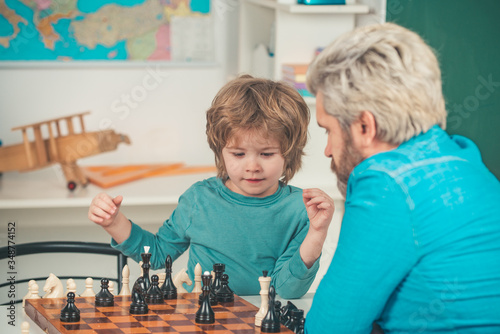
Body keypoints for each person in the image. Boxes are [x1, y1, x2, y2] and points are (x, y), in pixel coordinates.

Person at [304, 23, 500, 333]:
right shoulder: (465, 158)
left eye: (329, 130)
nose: (328, 150)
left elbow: (328, 327)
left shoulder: (386, 182)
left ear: (365, 127)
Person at [88, 75, 334, 298]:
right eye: (238, 154)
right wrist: (114, 223)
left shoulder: (300, 209)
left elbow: (288, 290)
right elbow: (158, 254)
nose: (252, 166)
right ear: (220, 150)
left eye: (267, 154)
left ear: (289, 154)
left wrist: (317, 233)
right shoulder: (199, 199)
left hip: (257, 321)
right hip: (198, 318)